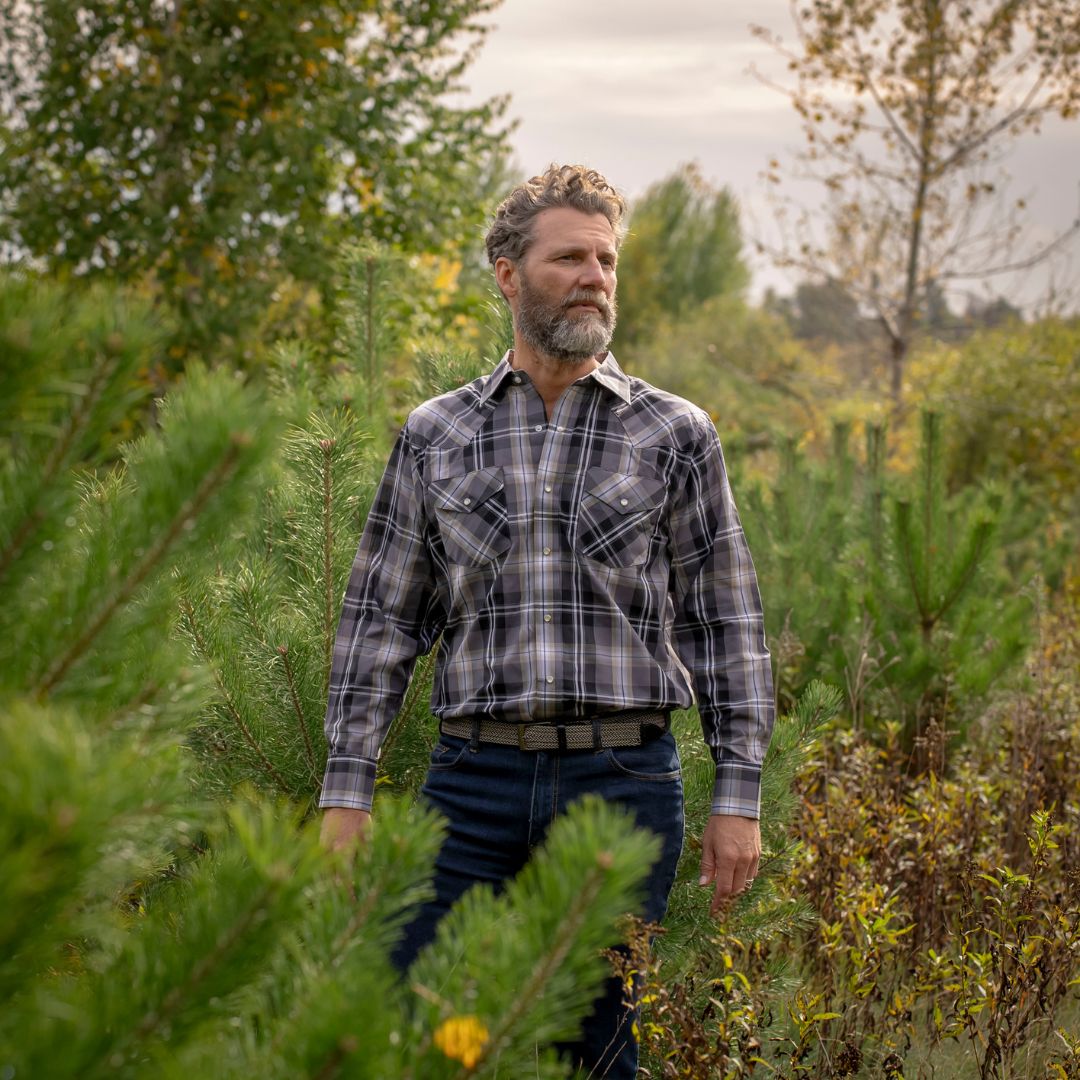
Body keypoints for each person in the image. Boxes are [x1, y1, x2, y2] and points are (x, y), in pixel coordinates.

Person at [319, 164, 775, 1077]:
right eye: (569, 257)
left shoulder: (675, 433)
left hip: (622, 781)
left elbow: (725, 625)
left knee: (596, 1047)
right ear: (507, 273)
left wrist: (738, 796)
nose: (595, 277)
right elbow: (380, 625)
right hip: (470, 779)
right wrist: (346, 790)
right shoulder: (437, 433)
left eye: (606, 260)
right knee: (420, 1033)